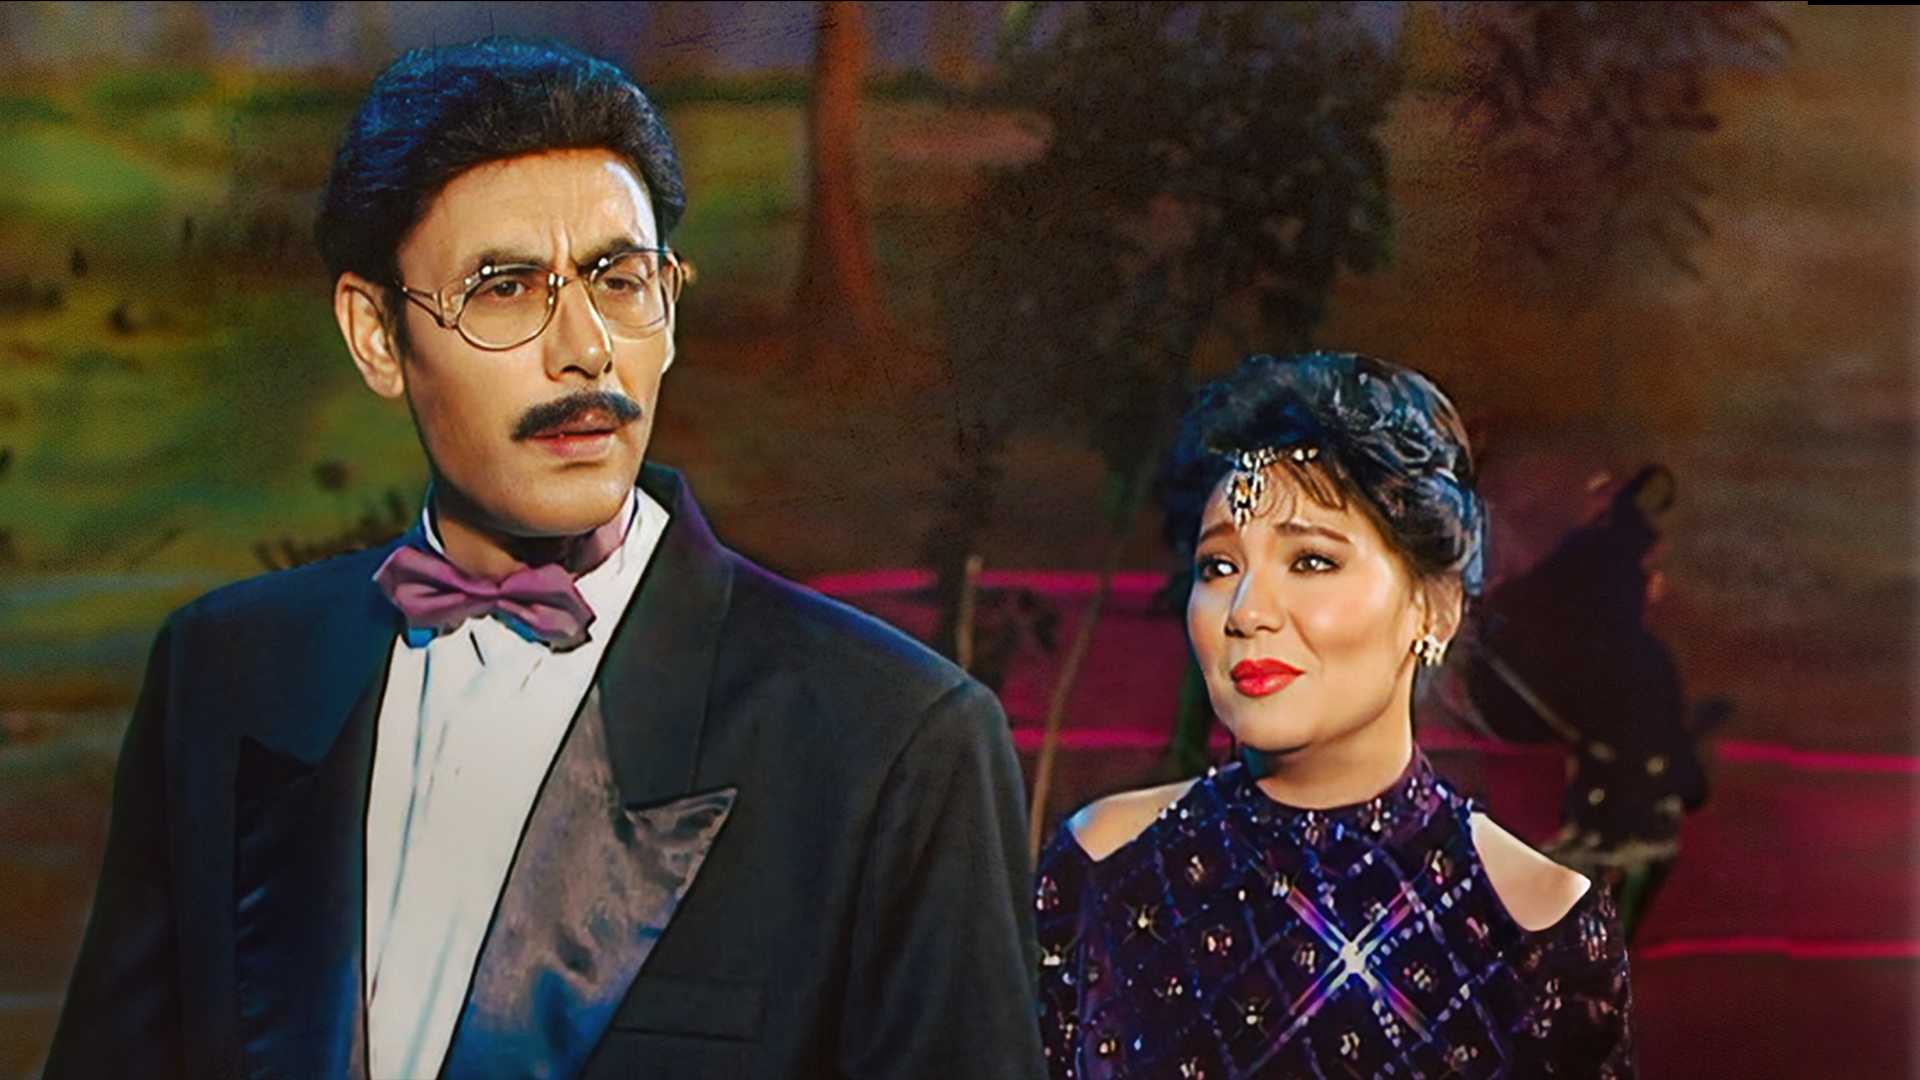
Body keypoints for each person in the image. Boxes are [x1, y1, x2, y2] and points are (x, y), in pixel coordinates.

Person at [45, 38, 1044, 1080]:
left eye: (621, 280)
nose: (585, 349)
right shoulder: (225, 674)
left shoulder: (894, 744)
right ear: (377, 335)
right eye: (505, 289)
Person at [1034, 352, 1634, 1078]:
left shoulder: (1538, 928)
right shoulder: (1106, 866)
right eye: (1219, 567)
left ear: (1434, 607)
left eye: (1311, 561)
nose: (1247, 611)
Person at [1463, 464, 1717, 940]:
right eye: (1651, 570)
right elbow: (1678, 769)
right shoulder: (1635, 660)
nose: (1659, 583)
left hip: (1603, 819)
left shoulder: (1598, 638)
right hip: (1624, 831)